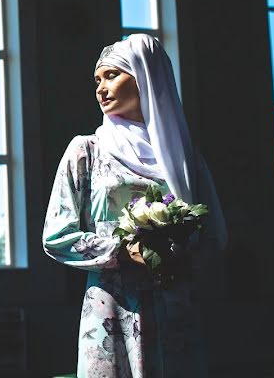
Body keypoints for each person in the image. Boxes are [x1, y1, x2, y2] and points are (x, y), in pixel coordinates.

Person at [43, 34, 226, 378]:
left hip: (175, 309)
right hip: (112, 309)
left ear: (145, 77)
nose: (101, 88)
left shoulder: (185, 160)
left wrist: (176, 252)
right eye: (97, 80)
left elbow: (214, 235)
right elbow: (56, 234)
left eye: (112, 75)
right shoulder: (87, 151)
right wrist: (123, 250)